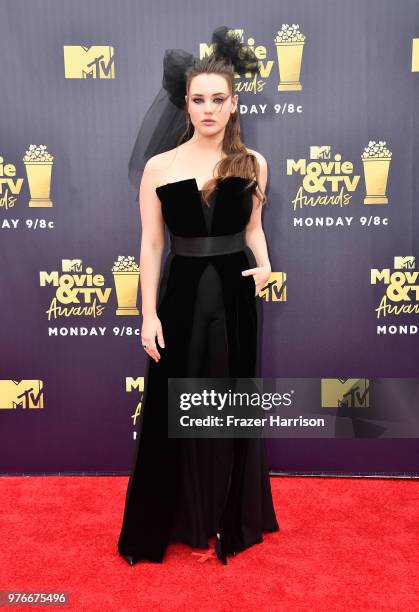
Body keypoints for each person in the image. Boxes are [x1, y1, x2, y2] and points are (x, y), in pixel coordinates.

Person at [118, 25, 279, 566]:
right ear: (184, 106)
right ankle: (183, 517)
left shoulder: (253, 163)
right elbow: (152, 243)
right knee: (177, 405)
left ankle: (227, 515)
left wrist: (266, 268)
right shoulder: (160, 168)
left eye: (218, 99)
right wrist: (147, 315)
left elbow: (254, 229)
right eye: (198, 100)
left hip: (236, 298)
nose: (208, 108)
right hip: (181, 295)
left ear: (234, 105)